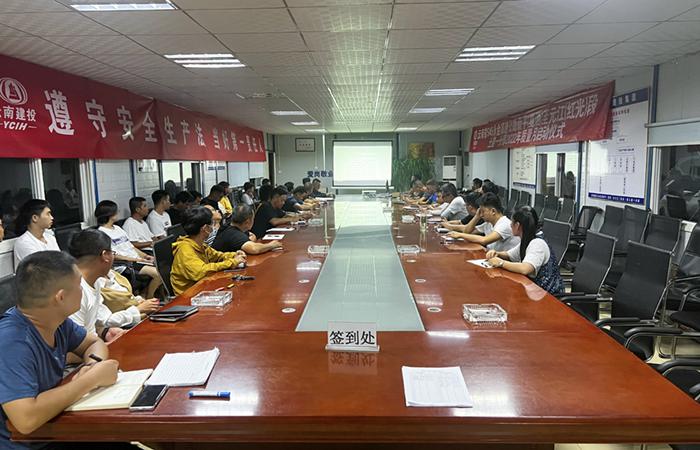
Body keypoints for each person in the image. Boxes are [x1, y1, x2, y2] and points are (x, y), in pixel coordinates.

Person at [0, 251, 119, 447]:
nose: (82, 290)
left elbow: (93, 343)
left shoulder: (55, 320)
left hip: (56, 430)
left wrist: (92, 365)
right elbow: (25, 419)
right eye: (79, 285)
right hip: (29, 443)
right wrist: (91, 379)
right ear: (61, 297)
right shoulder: (12, 342)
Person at [68, 229, 160, 340]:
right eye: (112, 253)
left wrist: (106, 332)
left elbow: (102, 320)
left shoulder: (93, 282)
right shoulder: (74, 290)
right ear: (105, 256)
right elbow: (76, 342)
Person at [486, 206, 564, 294]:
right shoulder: (527, 239)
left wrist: (501, 263)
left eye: (512, 222)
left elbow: (525, 268)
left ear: (517, 225)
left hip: (548, 296)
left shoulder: (537, 243)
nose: (510, 225)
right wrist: (497, 253)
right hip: (534, 291)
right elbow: (510, 255)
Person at [170, 207, 247, 295]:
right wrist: (232, 262)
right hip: (188, 295)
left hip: (202, 288)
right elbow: (201, 272)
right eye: (212, 223)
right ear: (205, 228)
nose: (213, 226)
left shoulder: (199, 244)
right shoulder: (184, 249)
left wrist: (234, 255)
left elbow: (217, 256)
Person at [95, 200, 162, 299]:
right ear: (109, 214)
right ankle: (150, 297)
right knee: (157, 274)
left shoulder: (117, 228)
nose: (118, 213)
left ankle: (143, 295)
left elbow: (131, 246)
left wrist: (145, 256)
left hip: (135, 260)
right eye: (116, 211)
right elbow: (113, 256)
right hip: (124, 265)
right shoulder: (102, 233)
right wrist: (137, 259)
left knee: (162, 267)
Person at [448, 192, 520, 252]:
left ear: (493, 211)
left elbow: (484, 240)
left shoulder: (504, 224)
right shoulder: (488, 224)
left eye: (483, 211)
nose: (481, 215)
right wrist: (476, 217)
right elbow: (467, 231)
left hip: (505, 261)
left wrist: (460, 235)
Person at [213, 204, 282, 254]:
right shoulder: (233, 234)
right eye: (253, 219)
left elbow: (252, 235)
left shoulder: (231, 225)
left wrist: (248, 241)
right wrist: (271, 245)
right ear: (247, 222)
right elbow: (254, 249)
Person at [13, 199, 60, 267]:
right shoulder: (24, 242)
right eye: (48, 214)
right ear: (35, 218)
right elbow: (41, 268)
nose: (52, 218)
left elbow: (61, 262)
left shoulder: (50, 238)